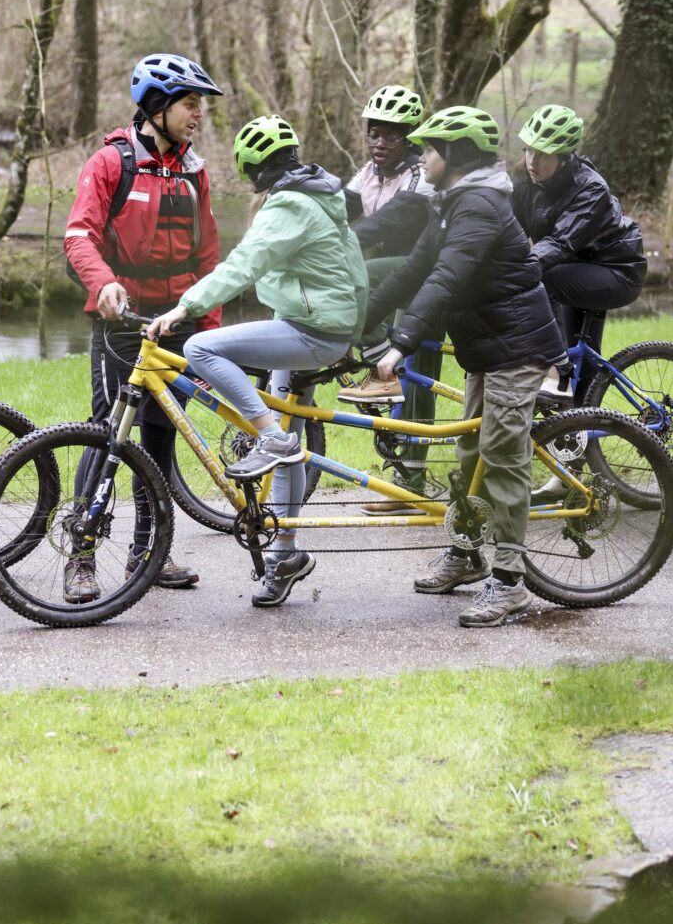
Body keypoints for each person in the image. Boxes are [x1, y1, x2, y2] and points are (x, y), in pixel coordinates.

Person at [146, 115, 368, 609]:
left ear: (252, 171)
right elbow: (352, 268)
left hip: (311, 332)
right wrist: (354, 331)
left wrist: (187, 306)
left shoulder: (289, 204)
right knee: (290, 441)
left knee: (201, 349)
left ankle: (268, 437)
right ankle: (285, 554)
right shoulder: (318, 194)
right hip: (318, 326)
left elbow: (244, 265)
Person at [365, 106, 566, 628]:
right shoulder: (451, 203)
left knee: (500, 455)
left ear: (453, 155)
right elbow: (413, 273)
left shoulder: (478, 206)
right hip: (489, 347)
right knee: (472, 451)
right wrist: (354, 326)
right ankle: (467, 553)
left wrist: (402, 341)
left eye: (429, 148)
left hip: (517, 348)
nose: (421, 155)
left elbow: (447, 278)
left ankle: (510, 582)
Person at [61, 53, 222, 602]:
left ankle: (146, 552)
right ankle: (80, 556)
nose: (198, 114)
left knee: (160, 433)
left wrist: (210, 328)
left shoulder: (194, 170)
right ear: (157, 106)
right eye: (190, 103)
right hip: (123, 320)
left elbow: (208, 257)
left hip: (177, 321)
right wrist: (102, 282)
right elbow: (78, 236)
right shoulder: (111, 163)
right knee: (110, 430)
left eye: (200, 104)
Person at [336, 84, 440, 513]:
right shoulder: (369, 173)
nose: (380, 143)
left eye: (391, 136)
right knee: (410, 372)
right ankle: (405, 479)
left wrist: (343, 247)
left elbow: (386, 224)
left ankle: (410, 483)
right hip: (398, 275)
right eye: (374, 133)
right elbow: (338, 210)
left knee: (417, 374)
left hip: (428, 277)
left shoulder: (420, 178)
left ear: (410, 140)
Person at [512, 105, 646, 401]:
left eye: (543, 155)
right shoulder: (526, 181)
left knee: (544, 279)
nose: (532, 161)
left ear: (563, 159)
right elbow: (510, 232)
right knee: (578, 356)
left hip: (617, 270)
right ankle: (576, 431)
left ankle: (554, 373)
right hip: (574, 266)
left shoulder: (590, 189)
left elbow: (560, 242)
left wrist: (516, 268)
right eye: (529, 150)